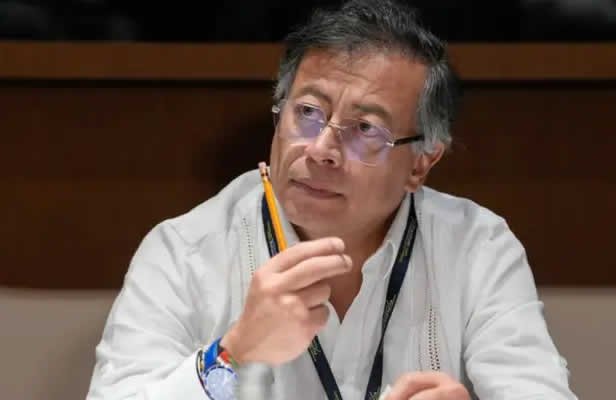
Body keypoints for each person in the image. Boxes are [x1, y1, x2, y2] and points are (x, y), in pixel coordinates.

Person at [87, 1, 577, 399]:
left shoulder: (477, 248)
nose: (321, 149)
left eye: (365, 129)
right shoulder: (184, 252)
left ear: (421, 163)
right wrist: (234, 354)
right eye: (307, 113)